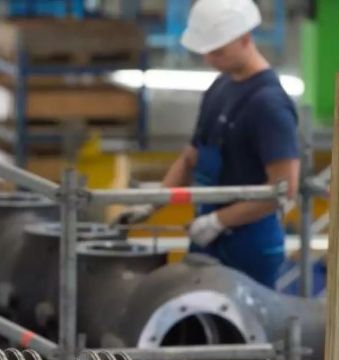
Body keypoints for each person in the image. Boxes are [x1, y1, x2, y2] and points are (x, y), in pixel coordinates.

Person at [115, 0, 299, 289]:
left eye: (218, 51)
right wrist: (153, 205)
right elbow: (190, 158)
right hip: (208, 236)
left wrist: (219, 221)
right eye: (206, 52)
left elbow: (283, 189)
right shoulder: (220, 88)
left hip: (248, 247)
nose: (209, 60)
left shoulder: (269, 105)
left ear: (245, 39)